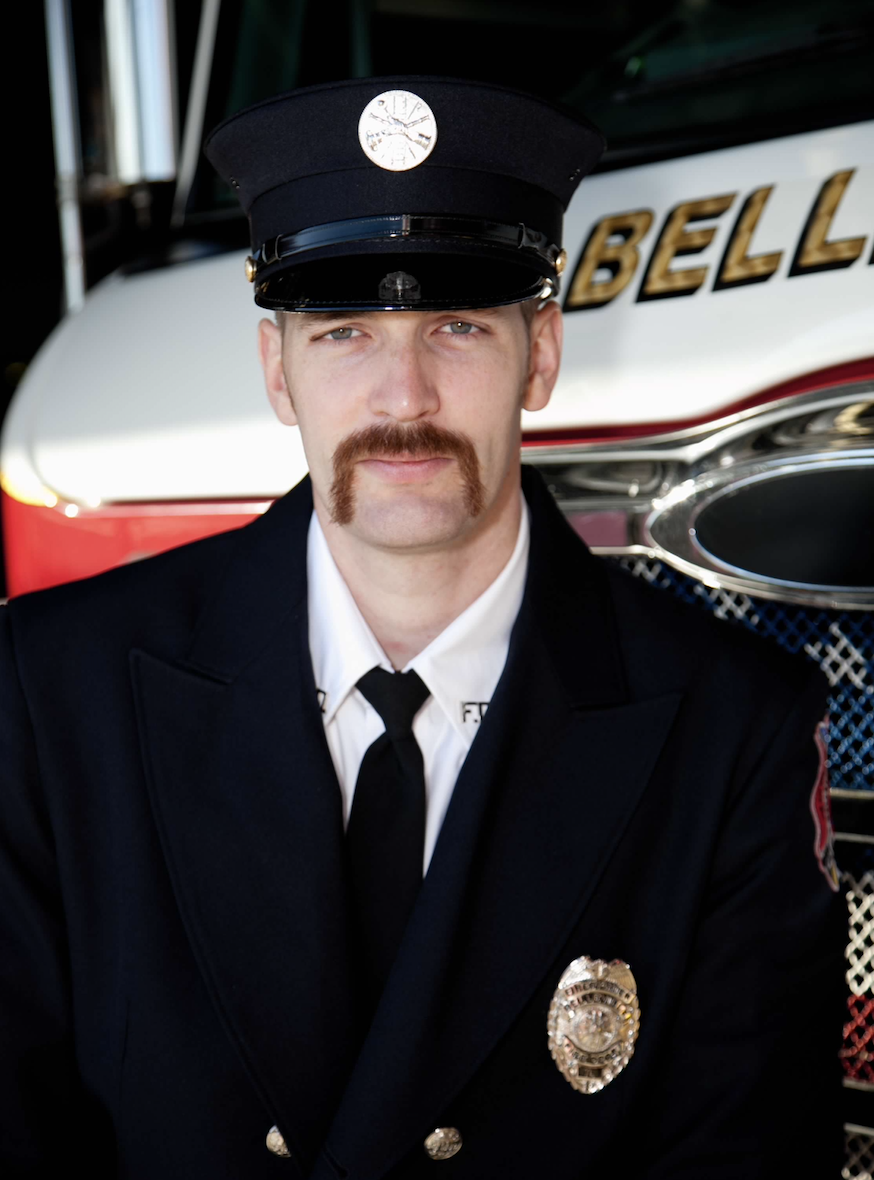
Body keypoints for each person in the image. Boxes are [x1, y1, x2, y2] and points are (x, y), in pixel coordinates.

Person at [0, 77, 845, 1179]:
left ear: (541, 354)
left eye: (457, 325)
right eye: (344, 330)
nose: (403, 396)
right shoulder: (50, 693)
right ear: (278, 372)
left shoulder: (735, 736)